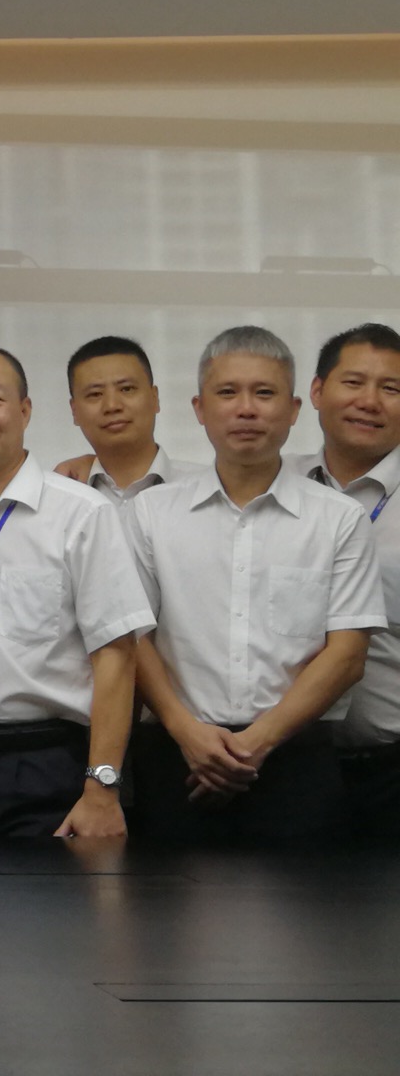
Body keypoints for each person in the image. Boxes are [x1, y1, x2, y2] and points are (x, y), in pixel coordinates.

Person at [129, 326, 383, 847]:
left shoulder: (339, 518)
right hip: (174, 757)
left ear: (293, 410)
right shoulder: (149, 513)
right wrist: (187, 732)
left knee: (306, 902)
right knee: (164, 900)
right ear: (199, 408)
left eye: (264, 393)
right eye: (227, 393)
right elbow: (132, 637)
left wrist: (253, 746)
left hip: (296, 763)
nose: (246, 409)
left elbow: (347, 656)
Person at [0, 346, 150, 839]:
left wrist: (102, 787)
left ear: (24, 410)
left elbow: (116, 656)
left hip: (44, 764)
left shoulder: (81, 513)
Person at [297, 323, 400, 838]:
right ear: (317, 391)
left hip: (390, 770)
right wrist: (93, 466)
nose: (370, 401)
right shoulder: (270, 480)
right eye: (354, 382)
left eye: (391, 388)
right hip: (283, 769)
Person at [52, 336, 204, 500]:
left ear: (154, 398)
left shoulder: (206, 487)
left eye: (126, 389)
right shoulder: (59, 495)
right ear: (74, 411)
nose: (112, 406)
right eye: (95, 394)